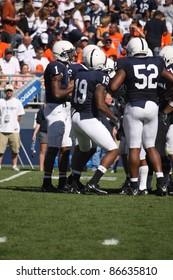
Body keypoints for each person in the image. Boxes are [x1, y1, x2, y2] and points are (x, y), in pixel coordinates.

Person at [110, 37, 173, 196]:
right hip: (152, 107)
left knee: (134, 147)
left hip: (135, 106)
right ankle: (161, 183)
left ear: (131, 50)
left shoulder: (126, 63)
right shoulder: (157, 62)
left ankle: (133, 184)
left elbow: (113, 86)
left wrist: (120, 94)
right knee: (151, 146)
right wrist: (166, 93)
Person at [71, 48, 119, 195]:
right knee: (113, 149)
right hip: (88, 118)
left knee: (88, 149)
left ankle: (72, 182)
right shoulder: (100, 75)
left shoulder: (80, 73)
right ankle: (93, 183)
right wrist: (115, 118)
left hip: (76, 117)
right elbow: (99, 103)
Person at [41, 40, 75, 192]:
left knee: (66, 147)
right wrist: (74, 86)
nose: (71, 55)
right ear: (61, 53)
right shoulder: (54, 66)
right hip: (55, 109)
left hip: (65, 109)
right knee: (54, 147)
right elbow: (56, 93)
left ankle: (62, 182)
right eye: (69, 52)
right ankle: (46, 183)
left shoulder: (64, 67)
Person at [0, 83, 25, 171]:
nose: (9, 92)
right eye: (7, 90)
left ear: (13, 91)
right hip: (2, 129)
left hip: (14, 129)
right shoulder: (1, 101)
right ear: (5, 91)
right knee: (0, 150)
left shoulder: (17, 102)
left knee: (15, 149)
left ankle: (14, 165)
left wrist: (14, 123)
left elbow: (20, 115)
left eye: (10, 90)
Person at [32, 104, 48, 172]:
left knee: (51, 152)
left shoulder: (54, 110)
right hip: (44, 132)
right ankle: (41, 168)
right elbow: (38, 123)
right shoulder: (41, 111)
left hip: (53, 132)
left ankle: (49, 168)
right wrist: (34, 134)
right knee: (42, 151)